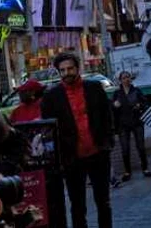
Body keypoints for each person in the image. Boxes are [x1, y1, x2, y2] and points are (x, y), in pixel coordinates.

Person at [40, 53, 114, 228]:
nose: (67, 73)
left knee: (103, 201)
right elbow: (49, 130)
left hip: (98, 153)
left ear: (77, 68)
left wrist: (108, 141)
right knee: (77, 205)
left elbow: (107, 116)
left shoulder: (94, 88)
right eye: (62, 70)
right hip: (72, 158)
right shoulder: (52, 97)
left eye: (70, 68)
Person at [112, 71, 151, 181]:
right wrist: (114, 105)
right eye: (124, 78)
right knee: (125, 148)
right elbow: (112, 107)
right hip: (123, 124)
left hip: (137, 122)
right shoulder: (117, 93)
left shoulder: (136, 91)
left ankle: (145, 168)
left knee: (141, 146)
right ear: (120, 80)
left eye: (128, 77)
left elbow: (145, 102)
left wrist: (140, 105)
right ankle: (127, 171)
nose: (127, 79)